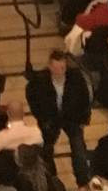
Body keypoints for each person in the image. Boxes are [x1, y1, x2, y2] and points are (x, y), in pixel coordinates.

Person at [26, 48, 95, 182]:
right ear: (50, 66)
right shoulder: (40, 81)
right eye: (56, 68)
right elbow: (32, 97)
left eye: (62, 68)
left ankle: (83, 180)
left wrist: (83, 119)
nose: (59, 72)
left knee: (79, 149)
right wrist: (41, 117)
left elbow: (84, 99)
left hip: (72, 118)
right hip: (50, 119)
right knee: (46, 149)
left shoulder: (75, 78)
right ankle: (50, 178)